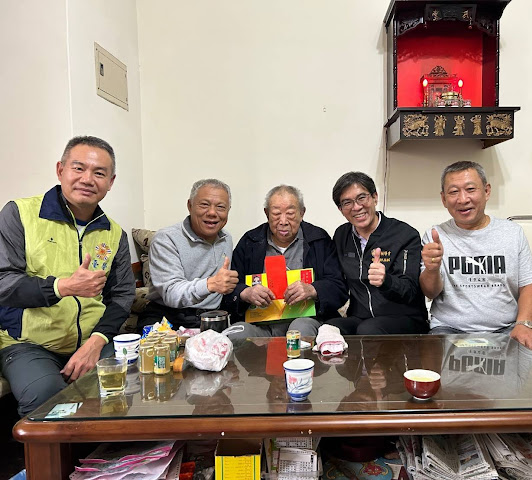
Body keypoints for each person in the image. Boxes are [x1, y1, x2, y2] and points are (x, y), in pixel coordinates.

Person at [0, 136, 135, 416]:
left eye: (99, 173)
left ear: (110, 182)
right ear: (60, 170)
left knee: (132, 381)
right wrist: (61, 287)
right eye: (79, 168)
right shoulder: (20, 214)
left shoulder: (114, 233)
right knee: (45, 396)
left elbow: (122, 295)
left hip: (92, 340)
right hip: (29, 343)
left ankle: (109, 446)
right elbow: (4, 283)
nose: (88, 179)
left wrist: (97, 341)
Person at [420, 161, 532, 356]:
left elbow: (530, 285)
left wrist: (523, 324)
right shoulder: (435, 236)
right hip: (449, 329)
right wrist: (432, 269)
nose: (463, 199)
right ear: (444, 199)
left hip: (506, 328)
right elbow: (430, 292)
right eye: (453, 192)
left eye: (470, 189)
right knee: (430, 369)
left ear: (487, 191)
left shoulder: (512, 233)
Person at [224, 185, 348, 340]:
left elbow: (339, 287)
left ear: (302, 213)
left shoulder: (319, 240)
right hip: (260, 325)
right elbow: (230, 288)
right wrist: (245, 293)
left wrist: (313, 289)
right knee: (237, 333)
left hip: (304, 321)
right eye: (276, 213)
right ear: (267, 213)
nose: (283, 221)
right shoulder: (250, 242)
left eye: (290, 213)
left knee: (300, 329)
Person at [327, 172, 427, 335]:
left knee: (369, 329)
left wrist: (386, 280)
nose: (356, 207)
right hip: (360, 317)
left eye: (361, 198)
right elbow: (337, 281)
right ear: (341, 209)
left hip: (404, 318)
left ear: (375, 197)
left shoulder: (404, 234)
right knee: (328, 328)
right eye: (347, 202)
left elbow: (410, 290)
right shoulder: (341, 235)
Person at [139, 179, 238, 331]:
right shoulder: (166, 238)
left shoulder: (226, 239)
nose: (212, 213)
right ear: (190, 206)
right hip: (167, 317)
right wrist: (210, 284)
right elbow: (171, 293)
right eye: (204, 204)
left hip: (210, 317)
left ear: (228, 210)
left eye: (220, 207)